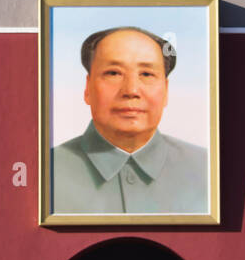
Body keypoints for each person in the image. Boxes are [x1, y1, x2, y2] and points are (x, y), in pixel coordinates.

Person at [51, 27, 208, 215]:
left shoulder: (207, 169)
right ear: (87, 88)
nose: (131, 90)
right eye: (113, 73)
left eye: (147, 74)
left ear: (166, 91)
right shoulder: (45, 171)